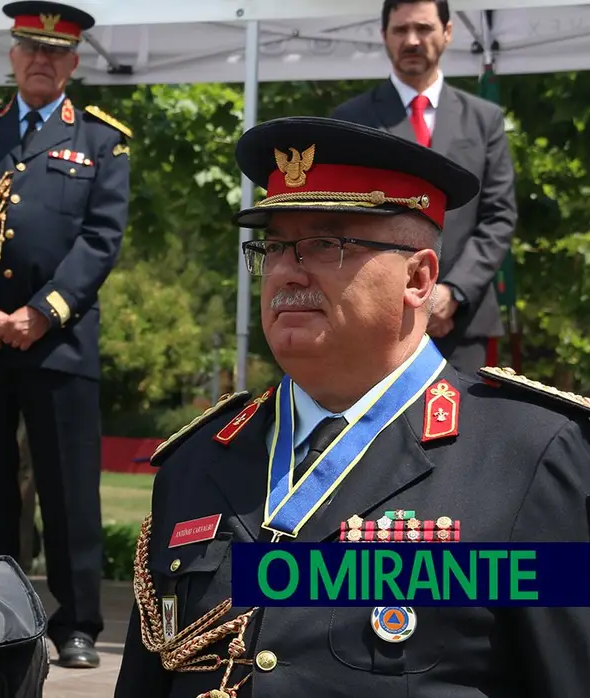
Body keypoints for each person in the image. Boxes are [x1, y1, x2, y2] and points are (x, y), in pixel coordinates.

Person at [114, 115, 590, 697]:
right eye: (275, 245)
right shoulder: (197, 462)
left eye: (326, 243)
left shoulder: (529, 458)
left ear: (418, 278)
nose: (288, 269)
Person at [0, 0, 130, 669]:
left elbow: (102, 239)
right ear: (12, 56)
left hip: (58, 340)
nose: (42, 60)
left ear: (73, 63)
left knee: (70, 491)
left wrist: (44, 310)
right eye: (29, 48)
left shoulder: (102, 141)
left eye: (56, 51)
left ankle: (75, 623)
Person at [330, 0, 517, 374]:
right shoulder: (350, 121)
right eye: (400, 30)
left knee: (466, 431)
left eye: (424, 28)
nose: (412, 40)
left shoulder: (484, 120)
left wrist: (453, 293)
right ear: (384, 36)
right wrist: (394, 297)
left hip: (463, 321)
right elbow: (342, 219)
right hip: (376, 318)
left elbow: (499, 217)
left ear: (447, 33)